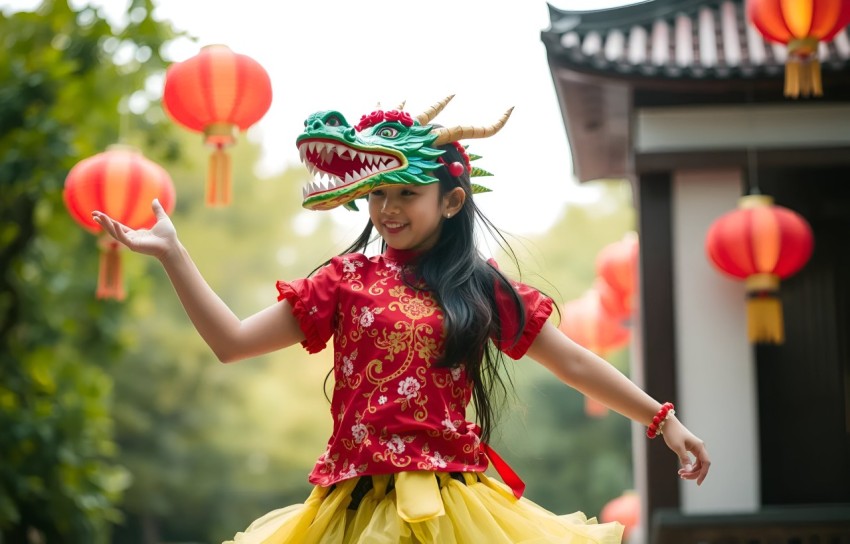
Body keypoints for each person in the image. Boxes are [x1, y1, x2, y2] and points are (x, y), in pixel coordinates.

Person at [92, 96, 710, 544]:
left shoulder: (479, 286)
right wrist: (173, 254)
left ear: (451, 200)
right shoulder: (343, 281)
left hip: (452, 510)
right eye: (376, 195)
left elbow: (574, 360)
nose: (387, 210)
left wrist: (663, 419)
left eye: (405, 194)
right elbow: (230, 342)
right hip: (350, 508)